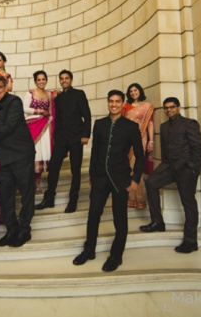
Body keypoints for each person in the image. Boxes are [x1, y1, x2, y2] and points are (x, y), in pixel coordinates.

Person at [72, 90, 144, 272]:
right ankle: (89, 250)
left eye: (117, 101)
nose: (114, 104)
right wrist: (91, 175)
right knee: (93, 215)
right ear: (107, 102)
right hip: (100, 178)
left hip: (121, 179)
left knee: (120, 219)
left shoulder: (131, 127)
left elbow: (140, 155)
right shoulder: (100, 124)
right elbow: (95, 150)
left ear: (122, 104)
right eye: (111, 101)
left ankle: (116, 255)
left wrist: (135, 179)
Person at [140, 97, 201, 254]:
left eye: (172, 107)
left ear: (179, 107)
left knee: (188, 201)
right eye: (166, 108)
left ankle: (191, 241)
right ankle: (157, 222)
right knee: (151, 183)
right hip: (169, 167)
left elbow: (198, 147)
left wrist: (192, 167)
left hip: (186, 169)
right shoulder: (163, 126)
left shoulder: (190, 123)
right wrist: (164, 165)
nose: (169, 110)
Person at [0, 76, 36, 247]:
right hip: (4, 158)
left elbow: (10, 125)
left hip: (21, 154)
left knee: (26, 193)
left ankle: (24, 229)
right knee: (5, 196)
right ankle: (12, 230)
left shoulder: (15, 101)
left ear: (5, 87)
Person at [35, 70, 91, 213]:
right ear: (60, 81)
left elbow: (87, 116)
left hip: (76, 138)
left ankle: (73, 201)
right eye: (62, 79)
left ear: (71, 80)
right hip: (60, 138)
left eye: (66, 78)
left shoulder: (79, 94)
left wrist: (86, 135)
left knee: (75, 170)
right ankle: (49, 199)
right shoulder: (57, 97)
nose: (64, 80)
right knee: (53, 167)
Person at [122, 83, 155, 209]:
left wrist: (151, 141)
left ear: (140, 91)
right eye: (131, 91)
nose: (133, 93)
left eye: (135, 90)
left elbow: (150, 124)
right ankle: (129, 197)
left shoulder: (147, 107)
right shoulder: (126, 106)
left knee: (137, 167)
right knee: (128, 166)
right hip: (126, 139)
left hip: (141, 138)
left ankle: (139, 199)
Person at [23, 71, 55, 194]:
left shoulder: (50, 94)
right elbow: (25, 108)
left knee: (42, 155)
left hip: (45, 127)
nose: (41, 82)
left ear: (46, 80)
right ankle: (27, 183)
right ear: (35, 81)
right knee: (33, 154)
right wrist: (40, 111)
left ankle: (37, 184)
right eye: (39, 80)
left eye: (43, 79)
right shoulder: (30, 93)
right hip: (33, 125)